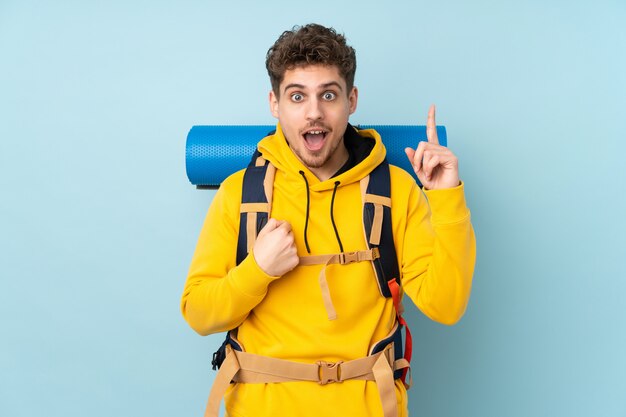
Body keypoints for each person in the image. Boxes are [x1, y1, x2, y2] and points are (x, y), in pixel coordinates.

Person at [181, 23, 476, 417]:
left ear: (351, 100)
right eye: (297, 96)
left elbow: (446, 305)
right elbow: (198, 313)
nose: (314, 112)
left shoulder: (395, 190)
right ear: (275, 103)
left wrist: (446, 198)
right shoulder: (241, 194)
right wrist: (258, 270)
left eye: (329, 95)